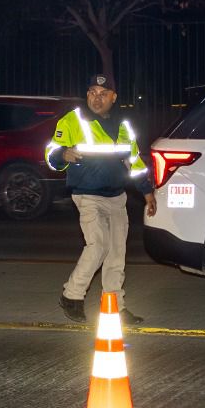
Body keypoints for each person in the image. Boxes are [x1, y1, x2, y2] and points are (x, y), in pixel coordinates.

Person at [46, 73, 157, 325]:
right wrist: (63, 154)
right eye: (92, 92)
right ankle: (71, 295)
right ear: (87, 95)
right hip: (87, 195)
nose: (97, 98)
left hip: (117, 196)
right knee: (98, 245)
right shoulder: (73, 119)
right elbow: (51, 153)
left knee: (117, 252)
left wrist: (147, 191)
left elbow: (135, 162)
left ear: (113, 97)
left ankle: (115, 306)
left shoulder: (123, 125)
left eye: (103, 94)